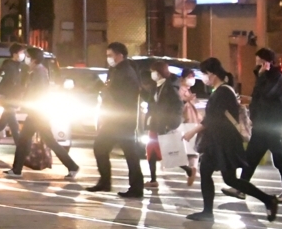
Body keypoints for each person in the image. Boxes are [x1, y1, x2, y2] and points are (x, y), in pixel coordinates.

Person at [184, 57, 278, 222]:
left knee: (216, 175)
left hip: (223, 142)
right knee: (224, 177)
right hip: (220, 140)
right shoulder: (222, 91)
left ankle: (208, 212)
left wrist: (192, 131)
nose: (203, 78)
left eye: (204, 74)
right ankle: (267, 200)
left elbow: (213, 118)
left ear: (212, 74)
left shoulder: (223, 92)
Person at [228, 48, 282, 203]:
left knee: (279, 158)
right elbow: (256, 97)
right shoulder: (261, 76)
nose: (257, 64)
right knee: (251, 157)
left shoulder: (277, 77)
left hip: (273, 125)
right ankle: (241, 188)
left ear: (267, 62)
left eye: (260, 61)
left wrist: (262, 77)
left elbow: (267, 94)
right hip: (261, 124)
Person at [5, 46, 78, 179]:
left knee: (46, 141)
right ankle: (16, 170)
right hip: (36, 113)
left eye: (27, 56)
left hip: (38, 114)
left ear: (33, 59)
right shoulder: (36, 71)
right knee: (26, 139)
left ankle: (72, 166)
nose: (25, 58)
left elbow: (37, 92)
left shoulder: (39, 72)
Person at [86, 42, 144, 198]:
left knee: (128, 153)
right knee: (102, 148)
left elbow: (125, 95)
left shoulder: (127, 71)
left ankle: (135, 187)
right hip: (116, 119)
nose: (108, 58)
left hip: (123, 119)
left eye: (110, 55)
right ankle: (106, 182)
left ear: (120, 55)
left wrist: (106, 89)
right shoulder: (116, 70)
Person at [143, 61, 183, 190]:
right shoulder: (156, 86)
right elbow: (152, 102)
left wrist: (170, 123)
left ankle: (188, 170)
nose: (152, 74)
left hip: (162, 123)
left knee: (167, 152)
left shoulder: (169, 88)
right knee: (151, 151)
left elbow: (178, 106)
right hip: (155, 123)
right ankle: (153, 179)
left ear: (159, 73)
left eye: (153, 71)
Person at [179, 72, 202, 187]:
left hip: (191, 123)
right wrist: (186, 100)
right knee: (190, 152)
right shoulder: (181, 91)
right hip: (187, 123)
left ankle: (191, 170)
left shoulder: (188, 92)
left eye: (193, 77)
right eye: (190, 77)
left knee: (192, 152)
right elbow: (179, 106)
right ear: (182, 78)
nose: (192, 80)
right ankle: (191, 170)